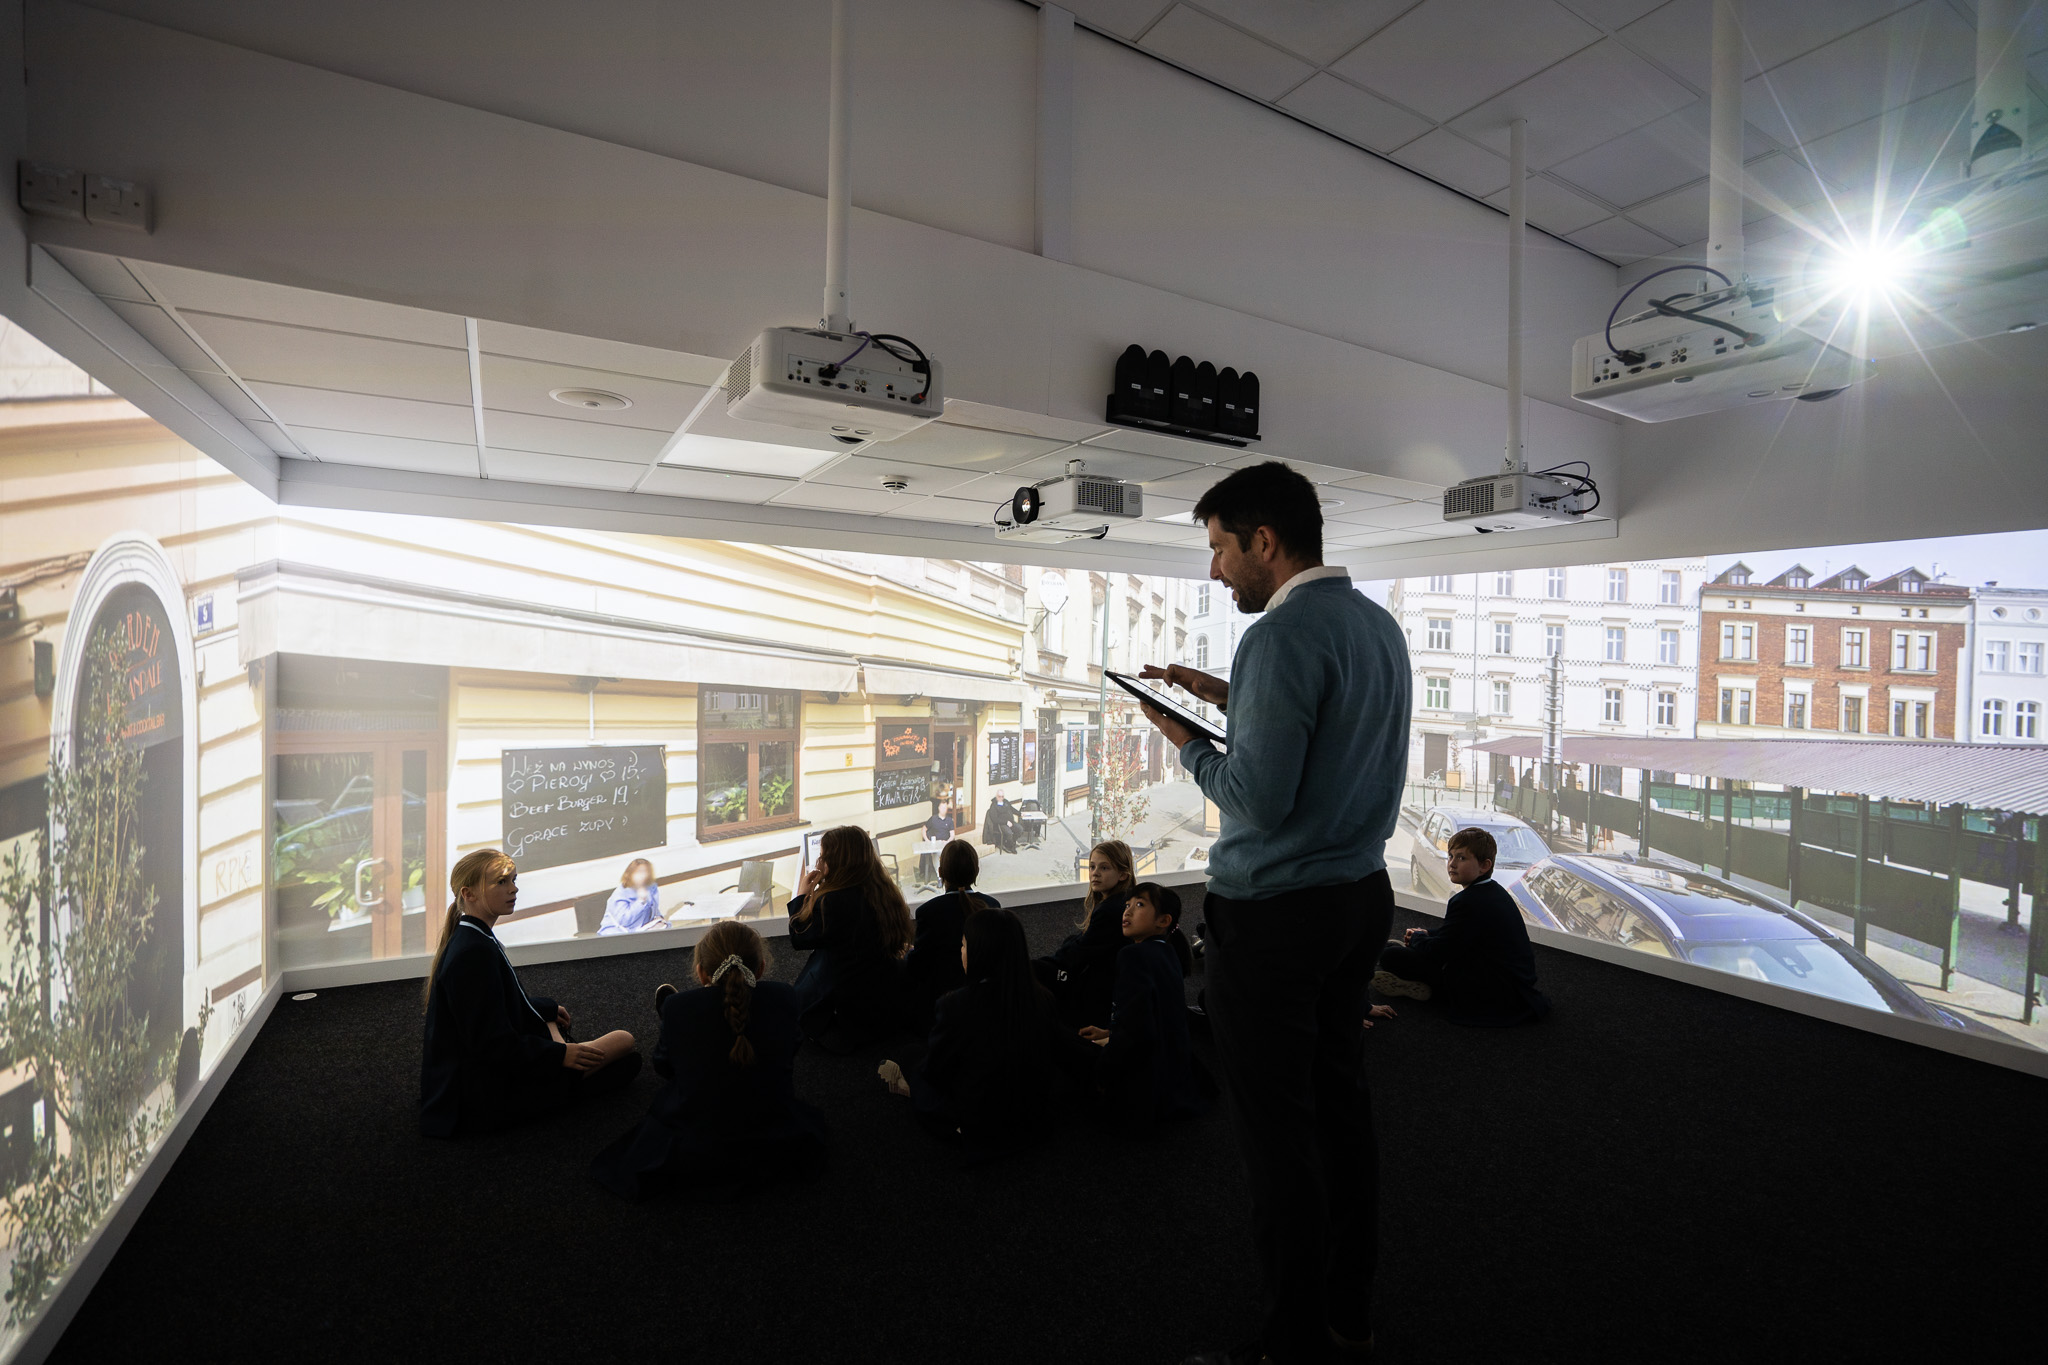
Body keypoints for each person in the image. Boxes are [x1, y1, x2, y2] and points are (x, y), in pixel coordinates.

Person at [1137, 460, 1409, 1365]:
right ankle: (1347, 1313)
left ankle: (1291, 1340)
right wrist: (1223, 696)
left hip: (1274, 919)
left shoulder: (1279, 639)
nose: (1215, 569)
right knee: (1341, 1109)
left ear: (1264, 540)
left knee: (1276, 1133)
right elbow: (1325, 732)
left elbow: (1257, 797)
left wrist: (1183, 739)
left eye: (1219, 547)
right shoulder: (1378, 627)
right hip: (1357, 901)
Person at [589, 920, 827, 1200]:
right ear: (761, 968)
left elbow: (663, 1066)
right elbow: (791, 1049)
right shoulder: (784, 997)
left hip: (699, 1142)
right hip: (770, 1129)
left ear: (701, 973)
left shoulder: (677, 1008)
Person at [419, 849, 640, 1138]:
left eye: (513, 879)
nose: (514, 888)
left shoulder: (472, 937)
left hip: (475, 1077)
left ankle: (570, 1070)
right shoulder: (472, 953)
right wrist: (560, 1054)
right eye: (501, 882)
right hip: (478, 1098)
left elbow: (495, 1004)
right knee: (625, 1044)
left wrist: (546, 1008)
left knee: (554, 1021)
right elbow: (492, 1046)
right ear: (469, 893)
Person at [878, 908, 1068, 1158]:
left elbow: (937, 1072)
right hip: (1034, 1121)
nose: (961, 951)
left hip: (982, 1128)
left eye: (964, 945)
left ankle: (917, 1094)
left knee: (914, 1060)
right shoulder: (1043, 997)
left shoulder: (956, 1004)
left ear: (979, 953)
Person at [1374, 828, 1550, 1027]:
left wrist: (1417, 940)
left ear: (1484, 866)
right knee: (1396, 948)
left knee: (1389, 956)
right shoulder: (1494, 892)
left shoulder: (1466, 901)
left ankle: (1427, 989)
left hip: (1488, 989)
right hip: (1511, 984)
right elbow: (1461, 934)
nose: (1452, 863)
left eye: (1461, 858)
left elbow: (1440, 952)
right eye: (1450, 856)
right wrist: (1425, 934)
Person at [1081, 882, 1208, 1123]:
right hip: (1172, 1083)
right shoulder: (1168, 952)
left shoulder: (1132, 956)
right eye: (1127, 905)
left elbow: (1135, 1032)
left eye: (1139, 905)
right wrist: (1110, 1032)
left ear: (1163, 920)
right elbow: (1152, 1016)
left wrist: (1103, 1071)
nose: (1127, 911)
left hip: (1143, 1097)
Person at [788, 825, 914, 1049]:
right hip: (884, 1005)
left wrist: (801, 896)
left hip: (848, 1018)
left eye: (824, 856)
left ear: (836, 861)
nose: (820, 861)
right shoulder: (885, 892)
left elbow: (800, 938)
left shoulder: (832, 902)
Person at [1034, 840, 1137, 1030]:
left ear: (1123, 874)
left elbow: (1080, 953)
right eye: (1092, 867)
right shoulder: (1119, 902)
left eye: (1104, 868)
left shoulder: (1109, 910)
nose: (1095, 873)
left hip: (1102, 993)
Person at [901, 839, 1000, 1034]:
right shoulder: (993, 906)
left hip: (939, 1007)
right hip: (985, 1003)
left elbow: (918, 966)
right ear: (976, 871)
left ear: (940, 872)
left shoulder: (929, 911)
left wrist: (906, 954)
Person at [596, 857, 665, 936]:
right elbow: (624, 921)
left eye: (646, 872)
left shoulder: (650, 888)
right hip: (618, 933)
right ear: (630, 874)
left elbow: (654, 910)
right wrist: (640, 902)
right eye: (639, 872)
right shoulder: (621, 893)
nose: (643, 876)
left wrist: (660, 920)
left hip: (642, 929)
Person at [917, 802, 955, 885]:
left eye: (945, 808)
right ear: (939, 808)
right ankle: (939, 877)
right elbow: (923, 829)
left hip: (945, 844)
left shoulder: (949, 820)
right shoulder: (933, 819)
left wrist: (947, 841)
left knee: (948, 856)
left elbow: (952, 835)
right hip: (935, 845)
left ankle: (948, 876)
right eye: (942, 808)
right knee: (936, 856)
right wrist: (927, 840)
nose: (943, 810)